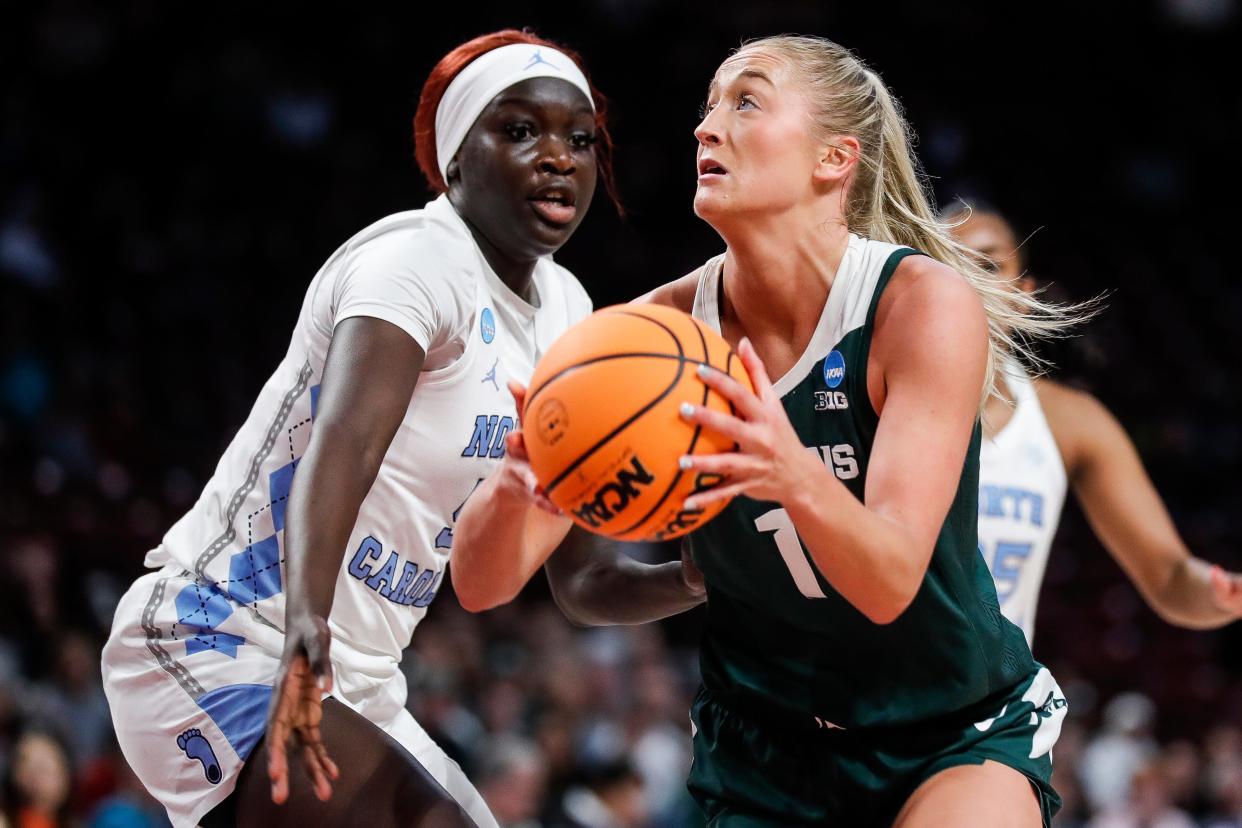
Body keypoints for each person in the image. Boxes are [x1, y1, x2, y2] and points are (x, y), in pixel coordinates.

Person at [452, 34, 1089, 827]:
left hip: (950, 730)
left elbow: (891, 581)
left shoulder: (917, 305)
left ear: (834, 160)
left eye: (745, 101)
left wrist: (789, 470)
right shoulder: (641, 340)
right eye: (709, 106)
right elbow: (499, 586)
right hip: (764, 753)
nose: (706, 127)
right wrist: (520, 492)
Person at [100, 28, 621, 828]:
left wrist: (708, 572)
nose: (559, 156)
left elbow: (579, 580)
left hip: (362, 681)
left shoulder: (568, 314)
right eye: (520, 130)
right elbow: (343, 442)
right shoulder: (413, 260)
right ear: (455, 161)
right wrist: (308, 625)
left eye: (580, 140)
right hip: (223, 631)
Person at [946, 203, 1242, 644]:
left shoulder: (1070, 422)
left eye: (988, 265)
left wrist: (1224, 593)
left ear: (1024, 295)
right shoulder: (857, 402)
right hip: (876, 702)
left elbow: (1169, 576)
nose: (968, 281)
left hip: (1002, 706)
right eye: (944, 263)